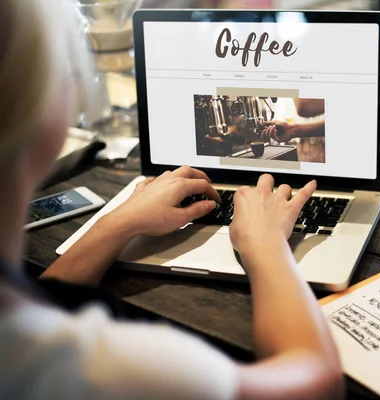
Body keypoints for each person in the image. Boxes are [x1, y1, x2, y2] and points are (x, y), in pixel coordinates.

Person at [0, 1, 343, 399]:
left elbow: (46, 300)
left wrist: (117, 223)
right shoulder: (109, 368)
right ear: (43, 110)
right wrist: (265, 245)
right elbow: (317, 382)